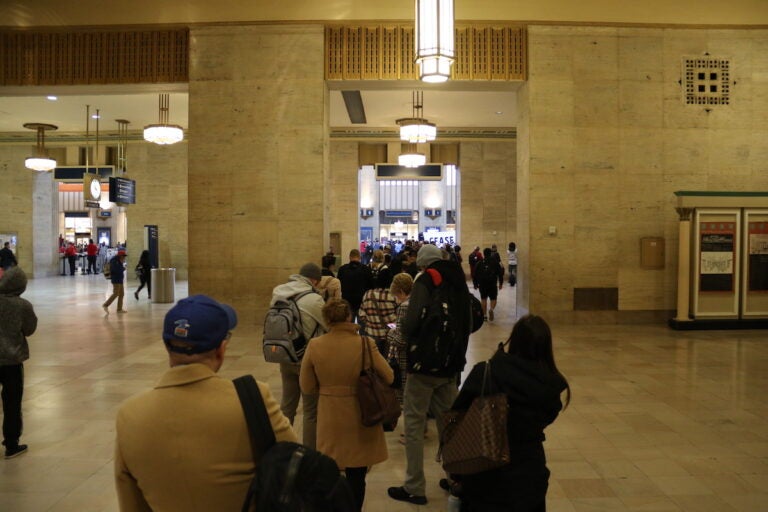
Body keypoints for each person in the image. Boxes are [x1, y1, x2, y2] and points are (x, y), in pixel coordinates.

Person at [114, 294, 297, 511]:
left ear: (167, 346)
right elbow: (297, 468)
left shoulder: (130, 415)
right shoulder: (253, 399)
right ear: (221, 349)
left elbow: (131, 502)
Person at [450, 315, 571, 511]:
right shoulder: (550, 387)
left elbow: (457, 417)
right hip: (528, 478)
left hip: (483, 475)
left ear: (514, 340)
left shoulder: (486, 373)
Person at [388, 244, 471, 506]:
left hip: (424, 366)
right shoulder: (457, 278)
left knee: (413, 423)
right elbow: (468, 321)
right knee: (451, 425)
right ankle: (456, 479)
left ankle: (414, 486)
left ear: (423, 265)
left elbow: (412, 320)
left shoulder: (425, 279)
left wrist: (414, 344)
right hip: (450, 364)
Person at [300, 298, 393, 512]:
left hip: (329, 415)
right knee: (357, 474)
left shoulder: (315, 345)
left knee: (330, 470)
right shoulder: (365, 343)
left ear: (327, 320)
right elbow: (388, 376)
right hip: (360, 414)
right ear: (349, 317)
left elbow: (306, 386)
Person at [270, 262, 328, 449]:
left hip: (285, 355)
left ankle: (282, 450)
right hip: (306, 360)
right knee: (311, 411)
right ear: (313, 280)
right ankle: (309, 454)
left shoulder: (279, 292)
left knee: (287, 405)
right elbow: (329, 326)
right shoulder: (313, 299)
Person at [0, 267, 37, 459]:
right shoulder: (22, 305)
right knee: (12, 403)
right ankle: (11, 444)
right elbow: (30, 329)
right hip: (12, 360)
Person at [386, 272, 414, 403]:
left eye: (396, 295)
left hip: (403, 357)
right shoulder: (417, 302)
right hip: (413, 354)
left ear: (401, 292)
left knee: (403, 395)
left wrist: (390, 333)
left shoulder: (404, 307)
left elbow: (400, 340)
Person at [357, 266, 397, 356]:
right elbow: (398, 318)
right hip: (389, 336)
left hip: (372, 335)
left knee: (374, 361)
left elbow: (362, 315)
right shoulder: (393, 296)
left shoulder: (368, 294)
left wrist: (372, 324)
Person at [336, 249, 373, 321]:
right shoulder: (366, 269)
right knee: (362, 328)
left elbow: (339, 286)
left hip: (347, 303)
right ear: (360, 257)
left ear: (349, 257)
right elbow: (371, 287)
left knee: (348, 327)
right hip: (362, 303)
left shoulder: (342, 269)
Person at [476, 247, 504, 322]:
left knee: (483, 299)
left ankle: (484, 316)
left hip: (482, 284)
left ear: (484, 254)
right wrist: (501, 283)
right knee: (493, 298)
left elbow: (475, 274)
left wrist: (476, 284)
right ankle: (491, 309)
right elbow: (500, 273)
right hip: (492, 283)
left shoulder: (480, 262)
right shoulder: (495, 262)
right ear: (490, 253)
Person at [103, 250, 127, 315]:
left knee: (121, 294)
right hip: (116, 280)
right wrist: (123, 268)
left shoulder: (119, 261)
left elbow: (119, 269)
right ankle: (105, 305)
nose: (124, 257)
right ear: (120, 256)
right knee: (115, 293)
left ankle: (119, 309)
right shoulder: (114, 261)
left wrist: (122, 267)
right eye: (123, 256)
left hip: (120, 279)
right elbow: (115, 270)